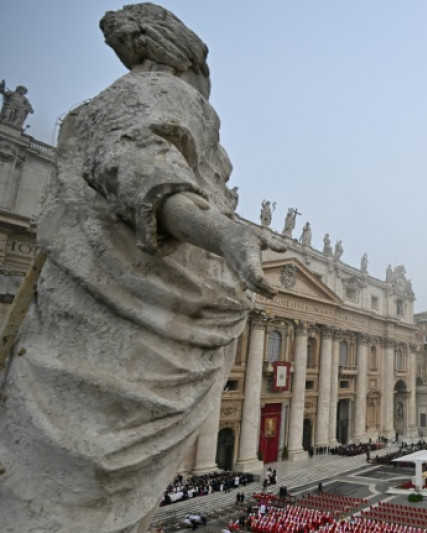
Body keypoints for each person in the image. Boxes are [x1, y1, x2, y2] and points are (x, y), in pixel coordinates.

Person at [0, 5, 283, 532]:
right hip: (137, 315)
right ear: (192, 64)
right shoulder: (170, 93)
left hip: (98, 299)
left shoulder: (105, 104)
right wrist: (218, 231)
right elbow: (134, 162)